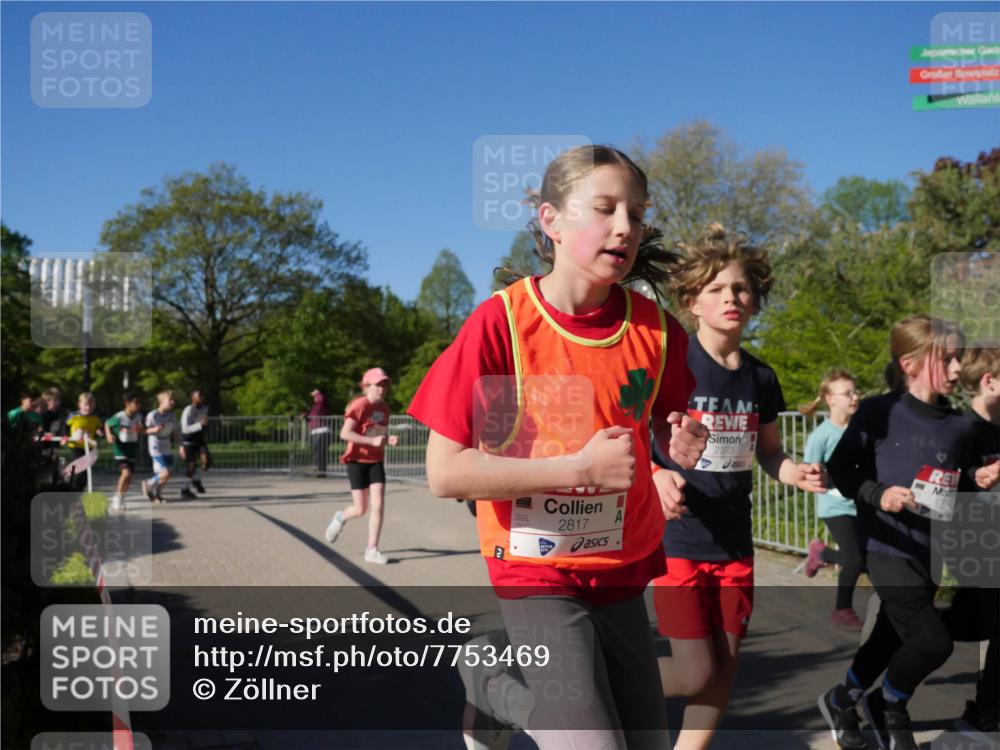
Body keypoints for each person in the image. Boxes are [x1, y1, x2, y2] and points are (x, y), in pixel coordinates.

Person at [409, 145, 708, 750]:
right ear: (551, 220)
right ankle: (491, 683)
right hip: (533, 568)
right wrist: (577, 469)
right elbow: (444, 473)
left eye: (637, 213)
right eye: (603, 209)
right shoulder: (500, 324)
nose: (625, 227)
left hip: (622, 565)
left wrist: (679, 441)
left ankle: (499, 693)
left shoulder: (656, 329)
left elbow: (665, 423)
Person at [649, 223, 828, 750]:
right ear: (692, 302)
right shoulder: (672, 363)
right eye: (716, 289)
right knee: (693, 673)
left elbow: (769, 451)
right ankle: (586, 682)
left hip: (734, 545)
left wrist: (793, 472)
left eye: (741, 289)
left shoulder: (761, 378)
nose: (732, 297)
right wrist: (658, 474)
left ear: (755, 302)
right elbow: (635, 436)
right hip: (680, 541)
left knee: (723, 671)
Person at [818, 315, 980, 750]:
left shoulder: (959, 425)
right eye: (945, 360)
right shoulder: (879, 412)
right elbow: (839, 468)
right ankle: (891, 704)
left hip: (931, 550)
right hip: (885, 545)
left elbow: (953, 485)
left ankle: (843, 698)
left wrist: (976, 480)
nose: (954, 370)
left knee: (891, 638)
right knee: (932, 642)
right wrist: (878, 494)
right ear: (909, 364)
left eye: (958, 360)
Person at [941, 346, 1000, 735]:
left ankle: (906, 626)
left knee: (972, 622)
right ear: (989, 381)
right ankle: (985, 712)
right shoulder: (960, 428)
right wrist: (975, 478)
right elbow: (941, 485)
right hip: (970, 537)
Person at [801, 370, 867, 630]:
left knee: (869, 558)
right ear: (830, 399)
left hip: (860, 504)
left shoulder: (861, 430)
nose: (854, 397)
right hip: (834, 505)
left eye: (855, 391)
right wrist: (821, 477)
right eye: (847, 393)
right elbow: (808, 474)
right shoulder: (821, 435)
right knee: (853, 560)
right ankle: (842, 610)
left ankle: (822, 553)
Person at [323, 368, 399, 564]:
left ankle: (372, 550)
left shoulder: (385, 410)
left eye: (384, 385)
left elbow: (378, 433)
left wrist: (387, 439)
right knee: (360, 509)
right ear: (366, 387)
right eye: (377, 385)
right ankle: (340, 517)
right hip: (357, 461)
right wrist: (370, 441)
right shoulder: (360, 405)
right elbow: (345, 434)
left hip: (376, 461)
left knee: (379, 504)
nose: (381, 389)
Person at [105, 393, 144, 512]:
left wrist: (139, 429)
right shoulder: (119, 416)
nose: (138, 406)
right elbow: (107, 424)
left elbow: (141, 428)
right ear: (127, 403)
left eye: (139, 403)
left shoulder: (138, 416)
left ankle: (121, 497)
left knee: (130, 477)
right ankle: (117, 497)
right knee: (126, 473)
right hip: (120, 450)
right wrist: (109, 436)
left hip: (132, 449)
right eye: (135, 403)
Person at [142, 390, 178, 503]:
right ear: (162, 401)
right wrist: (155, 429)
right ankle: (148, 483)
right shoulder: (153, 415)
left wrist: (181, 444)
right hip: (155, 444)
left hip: (166, 444)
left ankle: (158, 495)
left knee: (169, 472)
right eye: (170, 400)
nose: (172, 402)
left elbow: (175, 431)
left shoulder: (172, 415)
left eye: (173, 400)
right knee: (165, 472)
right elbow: (143, 430)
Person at [65, 392, 103, 489]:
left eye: (91, 405)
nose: (88, 407)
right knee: (77, 472)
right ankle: (71, 493)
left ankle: (78, 495)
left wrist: (99, 432)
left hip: (88, 448)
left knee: (85, 474)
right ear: (80, 405)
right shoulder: (73, 416)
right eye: (86, 405)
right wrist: (65, 436)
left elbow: (99, 429)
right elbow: (65, 427)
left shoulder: (95, 419)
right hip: (76, 447)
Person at [180, 389, 212, 499]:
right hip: (189, 439)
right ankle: (185, 488)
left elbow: (204, 421)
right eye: (199, 396)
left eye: (202, 396)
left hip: (199, 439)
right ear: (192, 398)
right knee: (191, 464)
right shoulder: (188, 410)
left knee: (207, 461)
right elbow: (185, 428)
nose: (201, 398)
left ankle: (196, 480)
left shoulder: (205, 408)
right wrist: (200, 425)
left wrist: (205, 426)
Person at [304, 388, 333, 477]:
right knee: (317, 452)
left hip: (322, 431)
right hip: (316, 431)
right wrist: (306, 416)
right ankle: (319, 471)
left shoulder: (322, 404)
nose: (314, 397)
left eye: (317, 395)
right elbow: (311, 417)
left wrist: (318, 391)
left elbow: (323, 396)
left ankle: (321, 472)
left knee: (321, 452)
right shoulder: (315, 406)